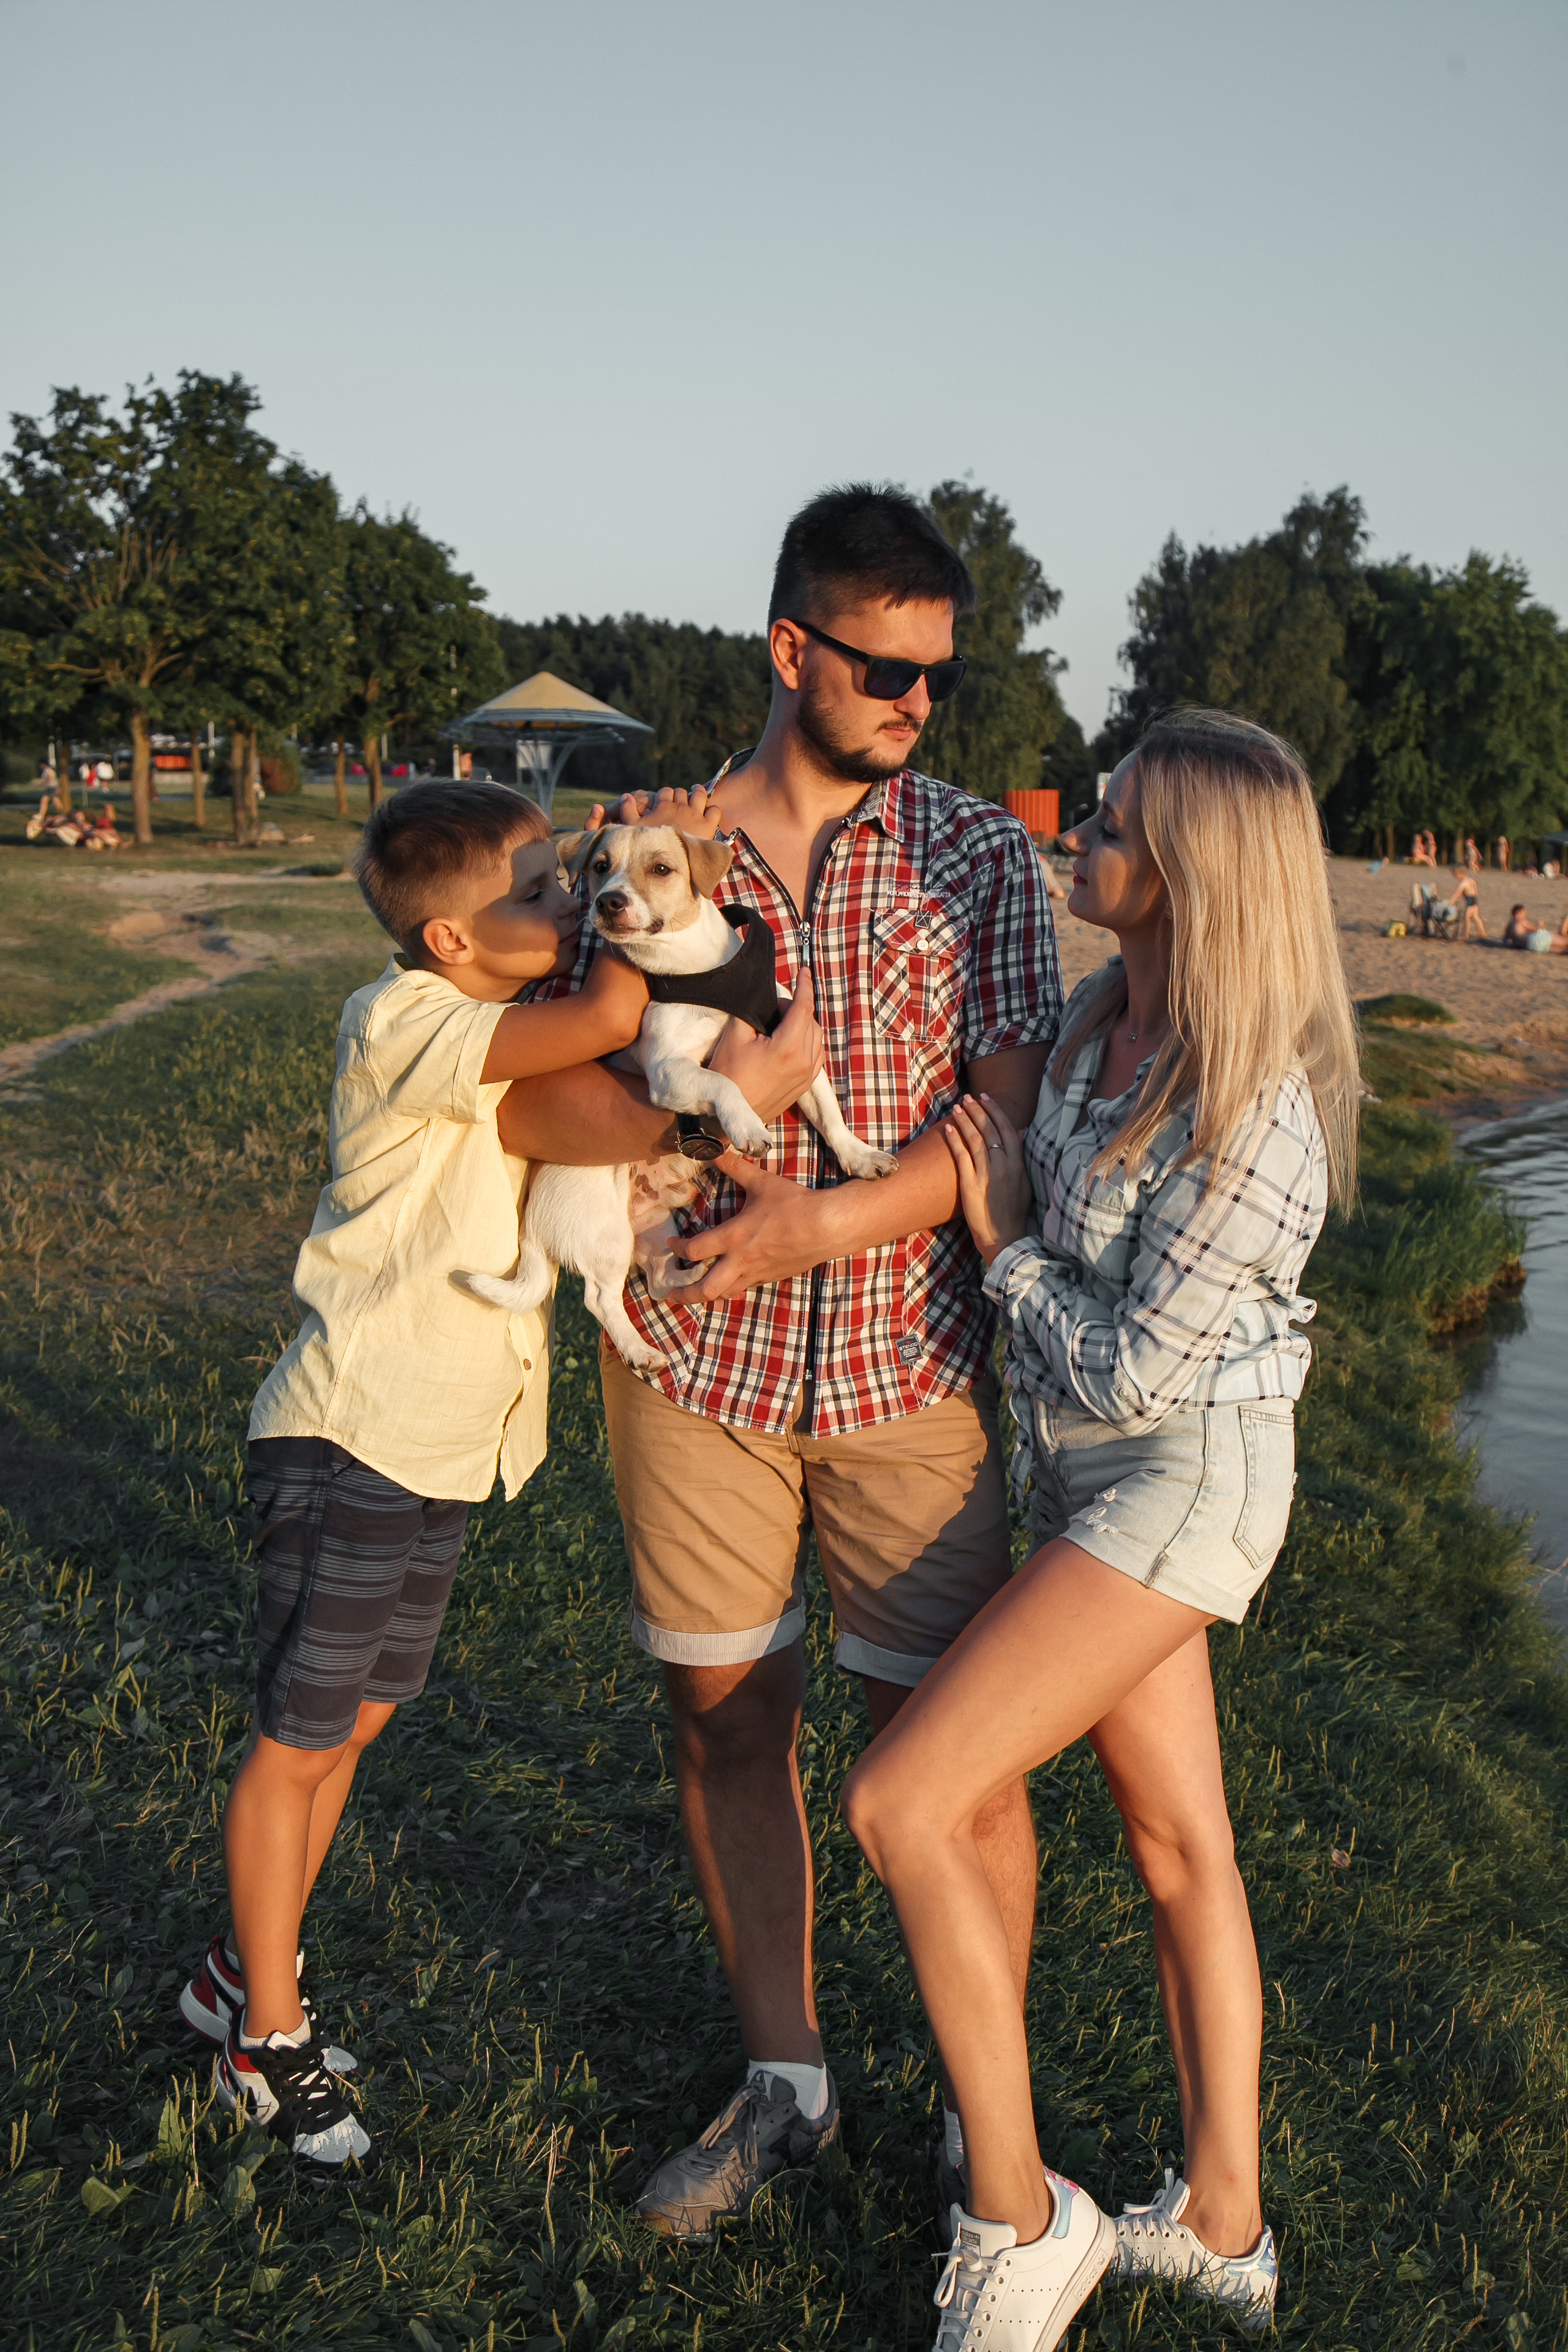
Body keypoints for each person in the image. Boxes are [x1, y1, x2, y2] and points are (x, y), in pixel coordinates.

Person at [529, 483, 1061, 2241]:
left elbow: (1009, 1126)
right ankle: (787, 2083)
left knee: (950, 1753)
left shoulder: (978, 857)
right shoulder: (642, 845)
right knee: (725, 1715)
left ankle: (982, 2111)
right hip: (696, 1368)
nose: (919, 710)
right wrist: (702, 1110)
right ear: (790, 649)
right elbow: (523, 1092)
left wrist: (815, 1223)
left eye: (938, 681)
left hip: (912, 1362)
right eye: (889, 674)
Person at [844, 710, 1359, 2346]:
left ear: (1195, 877)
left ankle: (1022, 2219)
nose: (1083, 835)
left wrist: (1000, 1252)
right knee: (1175, 1843)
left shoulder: (1252, 1112)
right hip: (1080, 1472)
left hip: (1178, 1479)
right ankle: (1223, 2225)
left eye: (1117, 825)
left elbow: (1140, 1369)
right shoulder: (1087, 1026)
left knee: (905, 1799)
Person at [175, 779, 657, 2176]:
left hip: (439, 1442)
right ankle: (266, 2036)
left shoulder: (476, 1028)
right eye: (544, 889)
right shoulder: (405, 1021)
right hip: (353, 1433)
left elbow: (604, 1093)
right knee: (296, 1738)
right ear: (449, 941)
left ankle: (233, 1966)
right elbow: (616, 1018)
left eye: (566, 883)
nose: (570, 907)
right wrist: (645, 875)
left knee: (361, 1721)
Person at [1449, 866, 1485, 940]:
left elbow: (1457, 893)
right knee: (1476, 917)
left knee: (1467, 918)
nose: (1455, 877)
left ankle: (1466, 935)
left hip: (1470, 900)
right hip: (1475, 900)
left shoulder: (1463, 883)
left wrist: (1451, 902)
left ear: (1461, 874)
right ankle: (1483, 932)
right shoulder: (1471, 880)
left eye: (1456, 875)